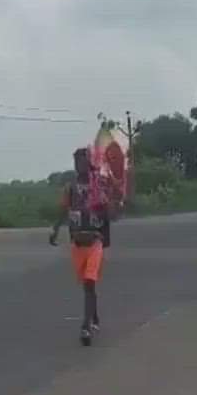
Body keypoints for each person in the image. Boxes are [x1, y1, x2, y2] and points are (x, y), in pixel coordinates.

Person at [50, 147, 119, 346]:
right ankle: (94, 316)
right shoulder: (71, 187)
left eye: (82, 161)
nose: (78, 165)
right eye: (76, 161)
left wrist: (111, 204)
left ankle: (86, 326)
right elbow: (63, 211)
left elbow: (110, 213)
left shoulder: (98, 186)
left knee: (89, 282)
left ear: (88, 163)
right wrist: (54, 230)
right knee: (88, 285)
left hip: (95, 242)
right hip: (77, 243)